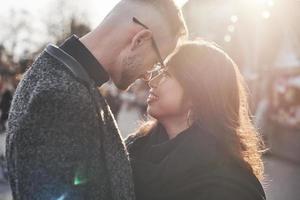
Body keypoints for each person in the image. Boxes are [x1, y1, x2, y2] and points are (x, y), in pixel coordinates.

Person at [5, 0, 187, 199]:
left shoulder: (62, 80)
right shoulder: (61, 98)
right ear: (140, 40)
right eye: (155, 63)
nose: (147, 76)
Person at [126, 41, 266, 200]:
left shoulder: (230, 184)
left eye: (166, 74)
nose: (152, 81)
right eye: (157, 72)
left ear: (197, 92)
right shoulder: (134, 146)